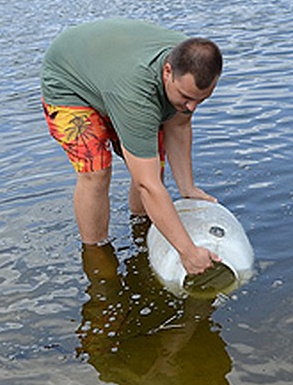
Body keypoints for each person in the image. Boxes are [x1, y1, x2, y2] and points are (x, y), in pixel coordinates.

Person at [40, 17, 222, 275]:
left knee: (154, 164)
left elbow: (179, 126)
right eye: (186, 97)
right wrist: (188, 252)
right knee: (97, 172)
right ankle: (97, 256)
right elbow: (148, 185)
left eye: (201, 100)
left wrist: (187, 188)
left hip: (110, 73)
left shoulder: (192, 63)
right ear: (167, 71)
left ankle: (142, 227)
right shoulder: (136, 95)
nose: (192, 107)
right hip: (70, 83)